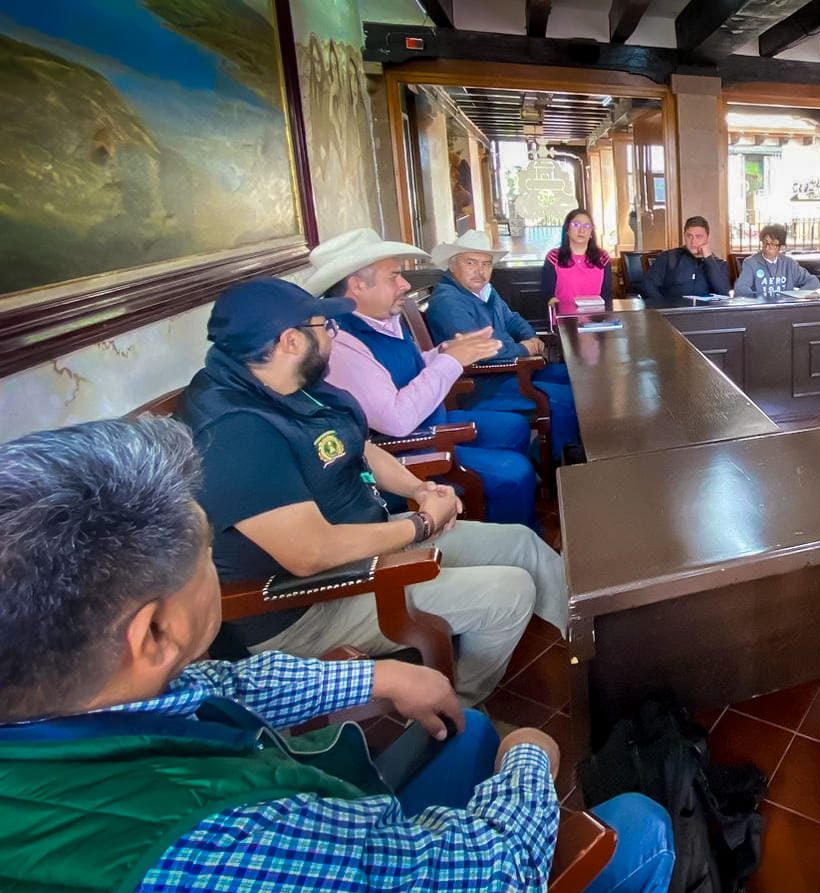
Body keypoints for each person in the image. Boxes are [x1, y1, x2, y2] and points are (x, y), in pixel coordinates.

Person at [0, 417, 673, 893]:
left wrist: (378, 674)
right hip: (416, 868)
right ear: (152, 632)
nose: (219, 561)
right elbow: (492, 876)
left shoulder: (87, 699)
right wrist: (530, 760)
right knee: (642, 827)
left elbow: (225, 682)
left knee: (464, 730)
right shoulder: (225, 846)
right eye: (207, 553)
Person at [175, 278, 569, 706]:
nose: (334, 336)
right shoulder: (234, 429)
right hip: (304, 603)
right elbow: (310, 552)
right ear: (290, 341)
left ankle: (593, 635)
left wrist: (420, 489)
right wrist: (420, 525)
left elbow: (360, 446)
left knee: (520, 543)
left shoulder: (288, 382)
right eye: (326, 327)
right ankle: (458, 708)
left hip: (366, 543)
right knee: (507, 593)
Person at [308, 229, 541, 529]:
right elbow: (396, 421)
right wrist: (450, 360)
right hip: (404, 454)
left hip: (431, 424)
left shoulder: (380, 319)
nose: (405, 284)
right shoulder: (342, 342)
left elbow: (411, 369)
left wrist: (446, 351)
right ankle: (504, 533)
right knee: (515, 473)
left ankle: (494, 515)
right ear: (356, 286)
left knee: (512, 428)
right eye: (393, 276)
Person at [421, 229, 580, 464]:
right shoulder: (448, 301)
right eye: (471, 262)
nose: (480, 270)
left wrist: (531, 337)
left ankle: (558, 449)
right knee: (566, 401)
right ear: (452, 265)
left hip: (511, 371)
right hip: (482, 385)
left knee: (573, 379)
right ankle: (551, 463)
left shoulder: (485, 292)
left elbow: (512, 319)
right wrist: (524, 349)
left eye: (486, 264)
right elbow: (480, 353)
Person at [639, 215, 732, 307]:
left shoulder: (718, 264)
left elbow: (724, 292)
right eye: (689, 236)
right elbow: (647, 286)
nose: (693, 242)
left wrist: (708, 258)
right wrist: (662, 306)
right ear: (684, 236)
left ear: (707, 238)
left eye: (698, 237)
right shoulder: (668, 258)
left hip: (705, 315)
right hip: (673, 313)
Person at [541, 208, 613, 315]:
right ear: (567, 229)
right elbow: (548, 294)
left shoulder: (602, 258)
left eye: (587, 226)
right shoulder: (554, 257)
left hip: (596, 319)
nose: (581, 230)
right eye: (576, 225)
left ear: (591, 232)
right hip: (565, 320)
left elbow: (606, 295)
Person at [734, 224, 820, 296]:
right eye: (765, 242)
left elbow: (813, 281)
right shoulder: (750, 263)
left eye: (773, 243)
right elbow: (740, 289)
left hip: (785, 309)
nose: (768, 246)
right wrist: (757, 300)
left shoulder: (789, 264)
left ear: (781, 247)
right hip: (761, 311)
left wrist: (798, 295)